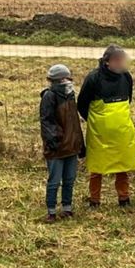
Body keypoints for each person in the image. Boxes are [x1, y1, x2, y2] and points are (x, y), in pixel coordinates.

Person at [78, 45, 135, 208]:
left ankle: (124, 199)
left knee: (122, 165)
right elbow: (82, 104)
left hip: (121, 131)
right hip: (100, 133)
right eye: (117, 60)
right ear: (107, 62)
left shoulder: (126, 77)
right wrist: (97, 121)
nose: (121, 63)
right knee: (97, 167)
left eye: (122, 59)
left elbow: (128, 100)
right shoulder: (93, 78)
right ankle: (94, 200)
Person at [39, 64, 84, 223]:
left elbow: (75, 123)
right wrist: (54, 142)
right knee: (54, 181)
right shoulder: (49, 97)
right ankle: (51, 212)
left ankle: (67, 208)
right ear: (57, 80)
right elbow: (47, 122)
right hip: (57, 148)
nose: (69, 81)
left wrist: (80, 144)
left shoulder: (70, 95)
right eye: (65, 78)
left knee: (70, 179)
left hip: (71, 147)